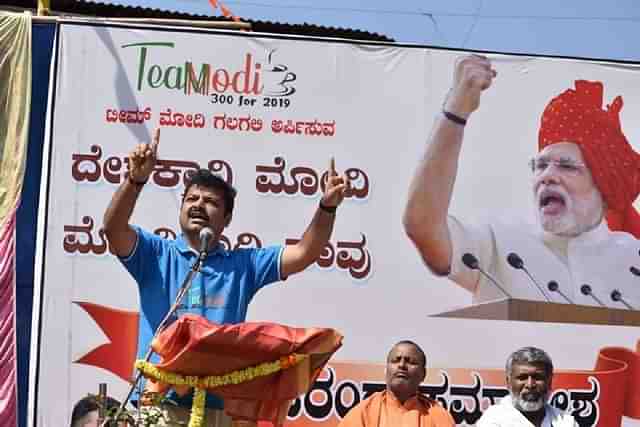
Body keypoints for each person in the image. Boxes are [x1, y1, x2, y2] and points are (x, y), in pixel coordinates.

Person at [103, 128, 350, 426]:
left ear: (227, 219)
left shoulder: (243, 264)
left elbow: (305, 252)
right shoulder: (156, 254)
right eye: (191, 198)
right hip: (156, 403)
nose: (198, 205)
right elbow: (114, 229)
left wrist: (327, 207)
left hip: (217, 407)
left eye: (210, 202)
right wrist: (135, 180)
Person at [403, 54, 640, 308]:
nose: (547, 176)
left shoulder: (632, 260)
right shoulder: (499, 240)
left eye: (567, 166)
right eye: (540, 165)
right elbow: (423, 226)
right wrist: (455, 112)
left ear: (604, 188)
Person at [338, 340, 455, 427]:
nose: (402, 365)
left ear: (423, 374)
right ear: (386, 370)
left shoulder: (439, 418)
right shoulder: (363, 413)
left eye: (411, 362)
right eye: (396, 360)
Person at [477, 347, 576, 426]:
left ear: (549, 382)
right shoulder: (493, 419)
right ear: (508, 382)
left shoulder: (565, 421)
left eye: (537, 377)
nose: (530, 385)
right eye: (522, 377)